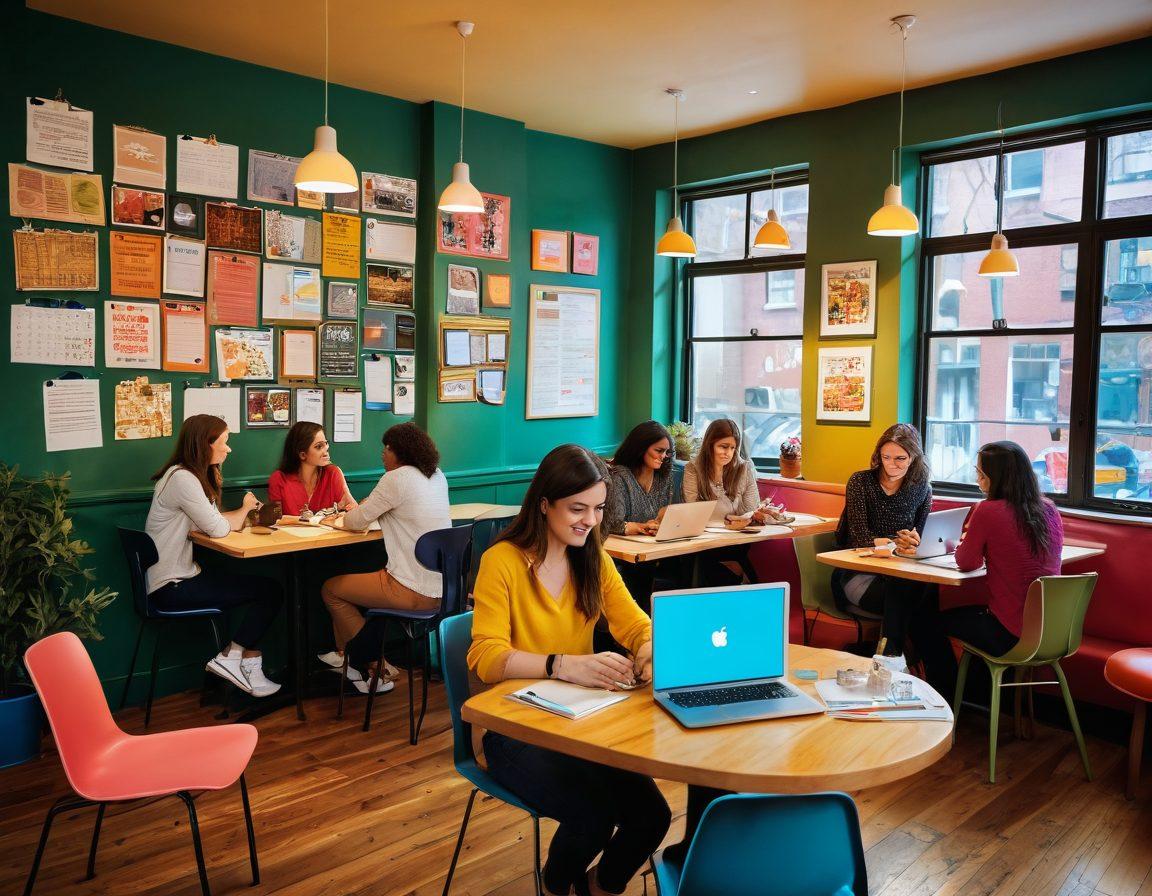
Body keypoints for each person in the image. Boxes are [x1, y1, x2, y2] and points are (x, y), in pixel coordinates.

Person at [468, 445, 671, 896]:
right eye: (577, 508)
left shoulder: (592, 558)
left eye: (598, 509)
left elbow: (636, 623)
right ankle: (556, 885)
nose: (590, 521)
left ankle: (601, 886)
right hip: (510, 727)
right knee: (593, 816)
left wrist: (647, 648)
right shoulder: (501, 561)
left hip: (581, 723)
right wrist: (562, 666)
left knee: (653, 816)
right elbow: (485, 656)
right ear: (545, 504)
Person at [909, 441, 1064, 696]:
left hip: (1011, 633)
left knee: (923, 621)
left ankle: (945, 697)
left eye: (980, 473)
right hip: (1052, 631)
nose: (977, 478)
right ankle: (972, 696)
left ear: (994, 477)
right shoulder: (1048, 508)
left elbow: (966, 562)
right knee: (972, 617)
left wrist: (965, 542)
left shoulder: (988, 511)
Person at [145, 414, 282, 696]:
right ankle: (232, 657)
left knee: (263, 587)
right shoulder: (183, 479)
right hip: (172, 587)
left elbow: (210, 522)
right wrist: (245, 508)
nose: (228, 449)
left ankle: (242, 662)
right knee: (270, 590)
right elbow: (219, 528)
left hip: (173, 580)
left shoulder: (179, 475)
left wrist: (234, 516)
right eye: (224, 442)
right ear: (205, 444)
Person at [320, 423, 451, 691]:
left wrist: (365, 506)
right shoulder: (437, 475)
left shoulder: (395, 478)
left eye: (387, 448)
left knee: (331, 589)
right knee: (358, 587)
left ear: (400, 452)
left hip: (412, 589)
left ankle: (370, 663)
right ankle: (352, 663)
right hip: (446, 591)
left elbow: (355, 521)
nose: (382, 454)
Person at [832, 423, 934, 659]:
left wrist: (913, 542)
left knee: (919, 590)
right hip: (858, 574)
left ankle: (894, 663)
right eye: (885, 457)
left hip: (900, 575)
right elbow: (858, 538)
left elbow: (918, 539)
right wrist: (893, 544)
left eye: (900, 458)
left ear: (914, 458)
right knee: (910, 596)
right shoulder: (860, 482)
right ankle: (892, 661)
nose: (891, 464)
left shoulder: (922, 490)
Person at [603, 420, 682, 613]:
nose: (663, 457)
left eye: (667, 452)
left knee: (690, 563)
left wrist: (661, 522)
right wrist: (640, 527)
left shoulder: (664, 478)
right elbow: (614, 523)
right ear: (641, 447)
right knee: (641, 574)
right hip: (624, 555)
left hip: (652, 548)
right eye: (659, 450)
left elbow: (664, 512)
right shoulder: (620, 476)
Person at [681, 418, 766, 585]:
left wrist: (745, 519)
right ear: (710, 445)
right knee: (725, 571)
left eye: (733, 448)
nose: (728, 453)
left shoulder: (744, 468)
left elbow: (751, 507)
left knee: (740, 566)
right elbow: (694, 510)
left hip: (737, 539)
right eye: (723, 447)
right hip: (706, 541)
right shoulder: (693, 468)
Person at [268, 422, 357, 516]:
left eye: (326, 443)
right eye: (319, 447)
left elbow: (352, 511)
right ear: (302, 455)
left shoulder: (333, 473)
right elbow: (275, 521)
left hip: (329, 531)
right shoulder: (279, 479)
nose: (326, 450)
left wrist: (348, 508)